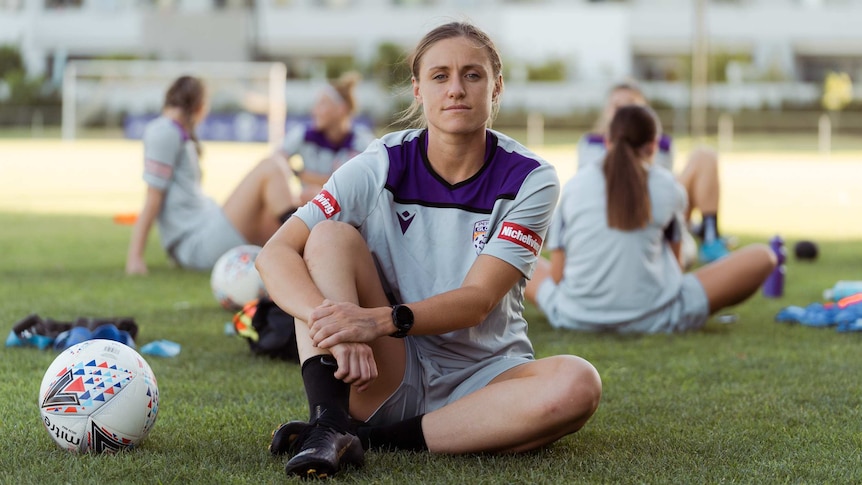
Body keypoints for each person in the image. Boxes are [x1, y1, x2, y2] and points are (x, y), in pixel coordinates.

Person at [256, 21, 602, 479]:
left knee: (578, 384)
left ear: (496, 87)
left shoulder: (531, 178)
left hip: (486, 377)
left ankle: (361, 437)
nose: (456, 89)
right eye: (440, 76)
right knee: (328, 236)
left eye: (472, 75)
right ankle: (331, 418)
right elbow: (274, 253)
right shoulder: (380, 162)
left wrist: (373, 320)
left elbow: (477, 302)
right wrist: (335, 320)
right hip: (382, 371)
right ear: (418, 90)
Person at [526, 104, 776, 334]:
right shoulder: (668, 187)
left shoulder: (575, 186)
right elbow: (676, 271)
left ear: (606, 141)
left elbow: (557, 277)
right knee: (764, 256)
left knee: (515, 250)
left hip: (574, 314)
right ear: (654, 146)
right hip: (657, 316)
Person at [125, 75, 296, 274]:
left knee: (288, 202)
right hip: (196, 241)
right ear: (200, 107)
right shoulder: (164, 131)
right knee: (270, 167)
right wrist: (135, 257)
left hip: (206, 227)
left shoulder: (173, 131)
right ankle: (299, 240)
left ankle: (302, 252)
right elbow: (153, 197)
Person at [577, 81, 729, 265]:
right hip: (611, 214)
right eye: (617, 105)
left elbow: (666, 188)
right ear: (607, 112)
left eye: (631, 103)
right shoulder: (591, 144)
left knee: (705, 155)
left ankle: (710, 235)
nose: (624, 110)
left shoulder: (661, 146)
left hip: (658, 208)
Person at [272, 71, 375, 204]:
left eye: (322, 104)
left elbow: (350, 187)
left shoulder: (361, 142)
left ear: (341, 109)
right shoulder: (306, 134)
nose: (314, 111)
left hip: (344, 209)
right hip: (309, 206)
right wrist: (294, 172)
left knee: (313, 195)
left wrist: (306, 177)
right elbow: (276, 158)